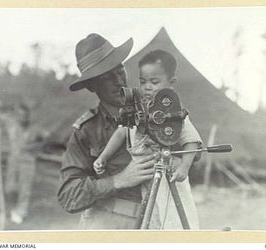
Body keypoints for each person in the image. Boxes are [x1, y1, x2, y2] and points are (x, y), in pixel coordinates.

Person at [57, 33, 158, 229]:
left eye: (119, 69)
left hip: (159, 219)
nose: (118, 80)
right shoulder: (87, 130)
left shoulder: (156, 110)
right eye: (106, 77)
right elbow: (68, 195)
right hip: (109, 223)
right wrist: (117, 180)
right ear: (92, 87)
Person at [93, 49, 202, 229]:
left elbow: (191, 140)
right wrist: (103, 157)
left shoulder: (174, 112)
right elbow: (122, 132)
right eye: (143, 82)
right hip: (146, 177)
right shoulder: (137, 109)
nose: (147, 87)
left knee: (176, 219)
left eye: (154, 82)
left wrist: (184, 166)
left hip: (169, 176)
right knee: (151, 221)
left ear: (171, 84)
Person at [4, 103, 49, 224]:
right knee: (9, 186)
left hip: (27, 162)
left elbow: (43, 142)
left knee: (25, 188)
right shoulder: (11, 126)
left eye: (25, 115)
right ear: (16, 116)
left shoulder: (35, 128)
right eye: (20, 115)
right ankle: (10, 209)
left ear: (28, 116)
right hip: (13, 160)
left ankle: (20, 212)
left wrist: (31, 147)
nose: (23, 118)